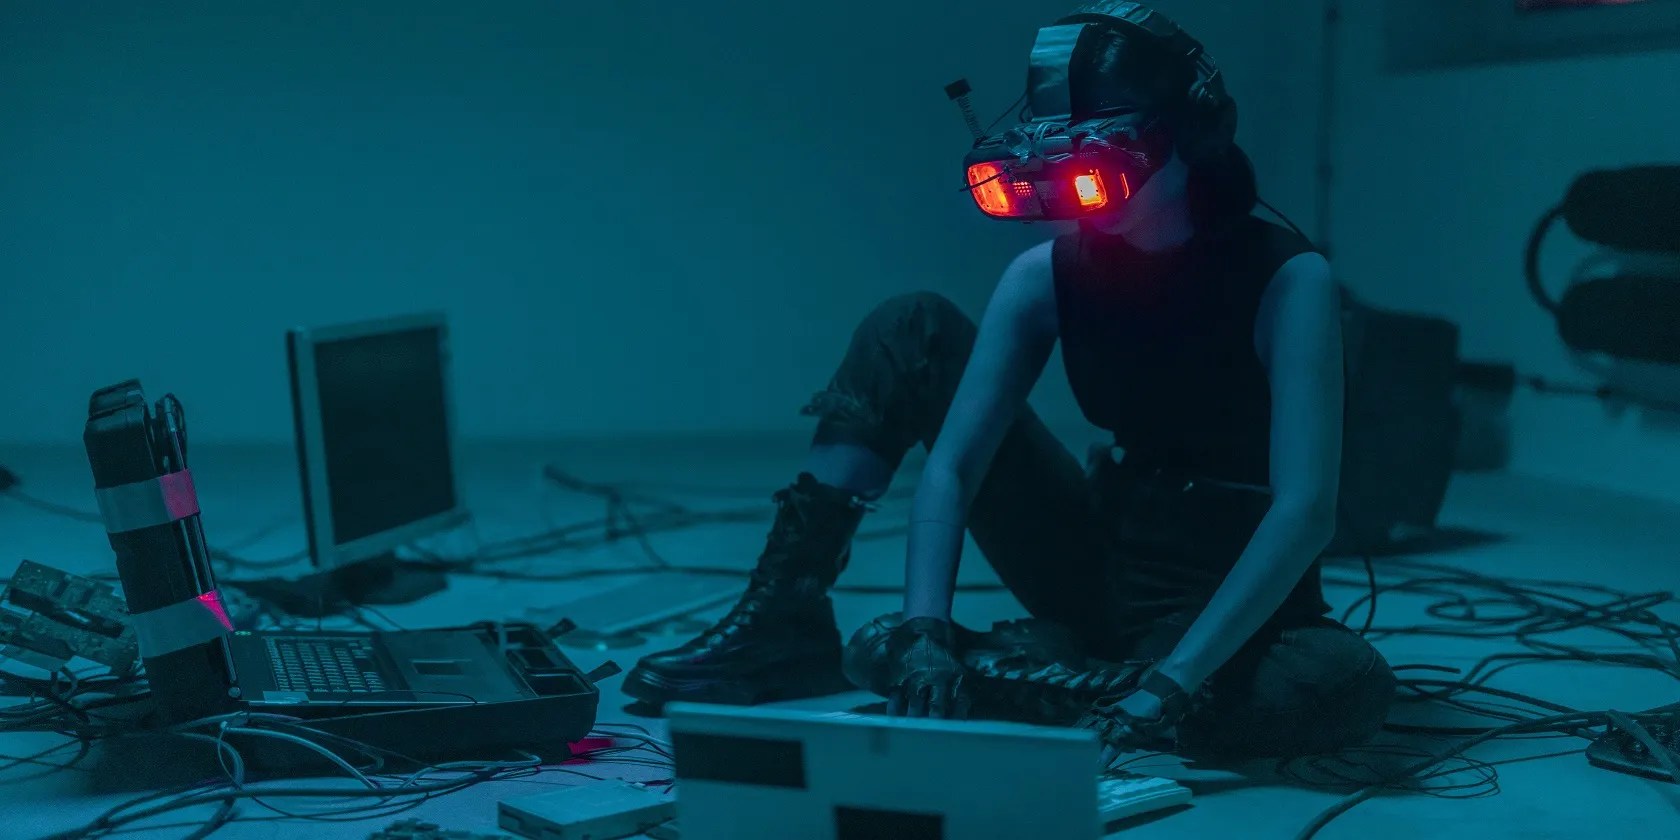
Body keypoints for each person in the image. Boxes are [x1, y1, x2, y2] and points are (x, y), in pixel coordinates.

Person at [622, 2, 1395, 760]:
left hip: (1225, 592)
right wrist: (924, 632)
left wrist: (1174, 681)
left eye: (1100, 164)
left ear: (1196, 134)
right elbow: (955, 466)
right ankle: (788, 622)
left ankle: (1067, 679)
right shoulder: (1045, 275)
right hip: (1101, 557)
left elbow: (1304, 512)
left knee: (1338, 684)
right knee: (913, 326)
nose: (1078, 192)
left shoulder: (1289, 279)